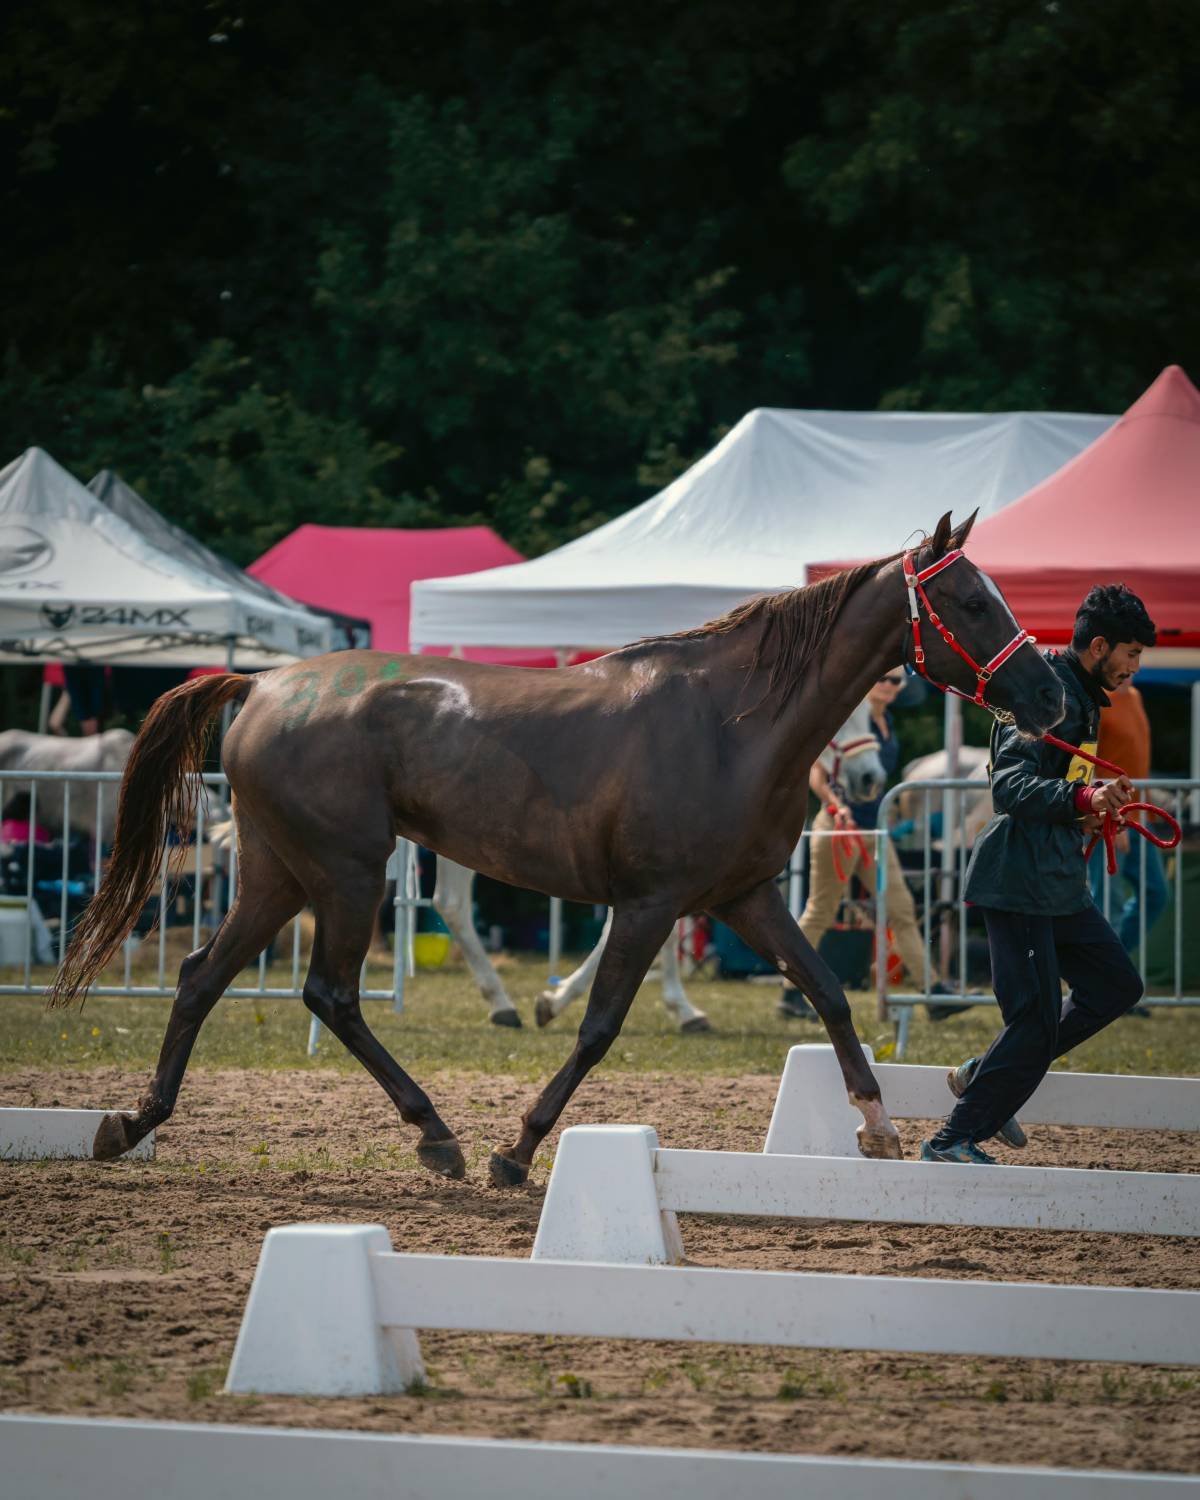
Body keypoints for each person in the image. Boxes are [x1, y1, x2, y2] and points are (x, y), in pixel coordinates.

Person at [921, 584, 1155, 1165]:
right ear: (1098, 646)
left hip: (1057, 880)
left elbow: (1063, 788)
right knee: (1035, 1019)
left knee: (1115, 986)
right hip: (1018, 878)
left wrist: (1095, 808)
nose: (1133, 667)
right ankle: (951, 1139)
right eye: (1130, 654)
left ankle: (988, 1070)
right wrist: (1083, 797)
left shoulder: (1081, 695)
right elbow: (1008, 787)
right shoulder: (1044, 694)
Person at [782, 671, 965, 1023]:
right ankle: (791, 991)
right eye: (883, 679)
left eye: (897, 682)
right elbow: (816, 773)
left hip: (874, 832)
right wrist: (836, 805)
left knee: (902, 909)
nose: (890, 686)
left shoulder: (886, 722)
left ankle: (933, 992)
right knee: (821, 910)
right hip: (840, 827)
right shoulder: (849, 717)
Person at [1088, 682, 1167, 995]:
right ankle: (1104, 984)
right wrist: (1110, 817)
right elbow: (1087, 766)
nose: (1135, 662)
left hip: (1137, 816)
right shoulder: (1097, 700)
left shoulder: (1134, 696)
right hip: (1109, 818)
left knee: (1156, 894)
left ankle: (1109, 973)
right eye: (1131, 652)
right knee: (1110, 902)